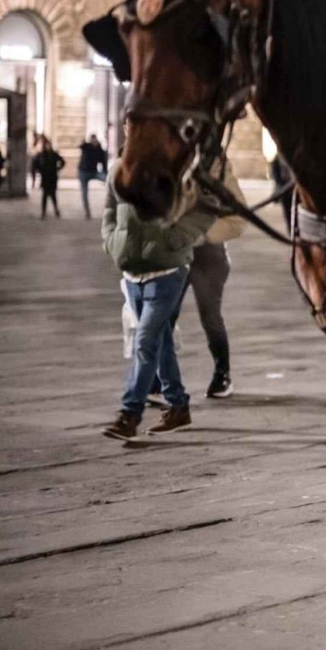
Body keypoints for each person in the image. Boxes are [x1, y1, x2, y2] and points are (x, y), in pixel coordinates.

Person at [101, 164, 219, 439]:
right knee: (162, 341)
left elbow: (210, 204)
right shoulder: (119, 170)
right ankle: (178, 406)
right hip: (132, 276)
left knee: (145, 342)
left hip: (167, 274)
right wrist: (110, 239)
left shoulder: (180, 169)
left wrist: (174, 239)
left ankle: (129, 414)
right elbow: (109, 208)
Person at [188, 156, 246, 399]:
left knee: (210, 316)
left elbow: (237, 220)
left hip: (207, 255)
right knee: (162, 318)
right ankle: (158, 380)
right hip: (173, 252)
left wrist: (200, 236)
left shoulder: (217, 167)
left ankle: (222, 374)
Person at [31, 135, 64, 218]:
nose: (48, 146)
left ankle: (56, 210)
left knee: (53, 195)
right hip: (45, 177)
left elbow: (62, 162)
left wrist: (57, 168)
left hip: (53, 177)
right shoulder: (41, 155)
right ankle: (44, 212)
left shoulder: (54, 154)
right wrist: (39, 170)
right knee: (45, 195)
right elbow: (35, 165)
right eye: (46, 145)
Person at [77, 134, 108, 219]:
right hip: (83, 172)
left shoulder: (99, 150)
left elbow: (103, 162)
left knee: (108, 180)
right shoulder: (86, 146)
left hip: (94, 172)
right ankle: (87, 212)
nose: (93, 141)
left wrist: (106, 173)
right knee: (84, 193)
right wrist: (83, 141)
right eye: (91, 140)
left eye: (94, 140)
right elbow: (81, 146)